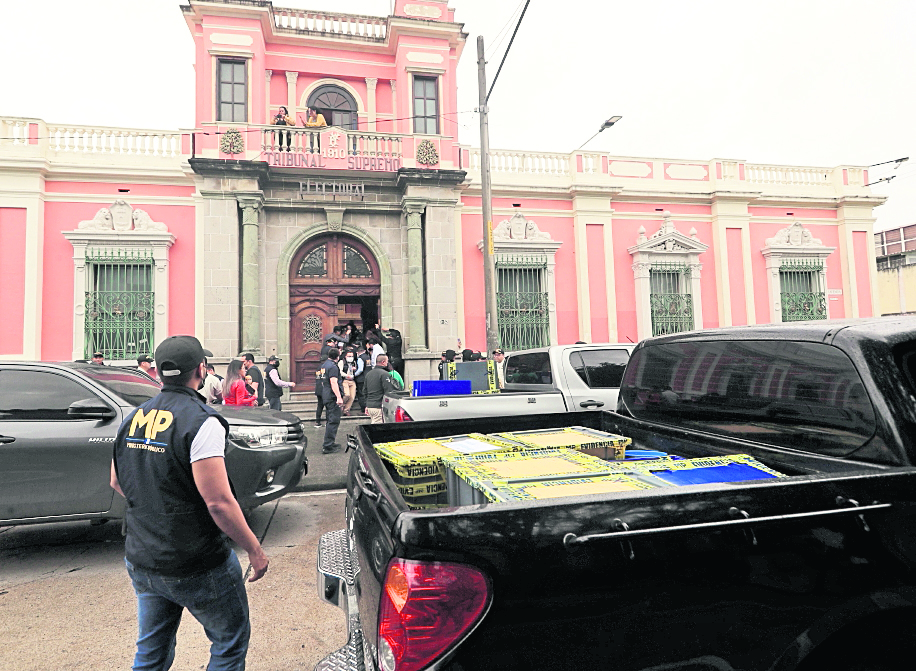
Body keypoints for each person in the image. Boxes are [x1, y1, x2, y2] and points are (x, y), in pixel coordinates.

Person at [110, 335, 269, 670]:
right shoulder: (201, 421)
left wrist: (158, 508)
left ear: (158, 372)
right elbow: (218, 503)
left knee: (151, 651)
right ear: (201, 369)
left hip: (143, 556)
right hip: (195, 560)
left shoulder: (134, 417)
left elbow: (116, 480)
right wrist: (254, 549)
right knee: (229, 641)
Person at [320, 348, 344, 453]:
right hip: (332, 397)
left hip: (326, 395)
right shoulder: (333, 367)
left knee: (330, 420)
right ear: (337, 357)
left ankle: (329, 443)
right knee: (333, 421)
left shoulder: (324, 365)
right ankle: (328, 445)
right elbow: (333, 382)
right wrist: (339, 397)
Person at [364, 354, 398, 424]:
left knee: (374, 423)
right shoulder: (385, 374)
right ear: (383, 362)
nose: (387, 363)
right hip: (379, 406)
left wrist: (367, 405)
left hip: (370, 406)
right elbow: (389, 390)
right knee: (379, 427)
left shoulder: (369, 374)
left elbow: (364, 391)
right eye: (387, 361)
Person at [338, 349, 362, 416]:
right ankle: (341, 405)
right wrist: (346, 375)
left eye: (351, 356)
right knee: (347, 394)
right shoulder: (342, 362)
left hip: (352, 380)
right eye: (349, 356)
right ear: (345, 356)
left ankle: (346, 410)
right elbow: (340, 371)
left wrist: (355, 370)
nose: (350, 357)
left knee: (352, 397)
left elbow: (356, 370)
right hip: (345, 380)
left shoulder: (353, 362)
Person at [355, 341, 373, 415]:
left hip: (361, 379)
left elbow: (360, 369)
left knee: (361, 394)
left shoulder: (360, 358)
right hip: (368, 377)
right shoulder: (367, 357)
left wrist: (354, 375)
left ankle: (363, 409)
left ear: (358, 352)